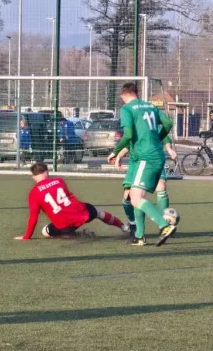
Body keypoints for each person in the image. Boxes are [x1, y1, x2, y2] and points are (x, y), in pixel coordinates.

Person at [107, 82, 176, 246]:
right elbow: (168, 124)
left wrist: (115, 151)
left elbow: (129, 134)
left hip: (145, 158)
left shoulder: (127, 109)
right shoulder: (151, 107)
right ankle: (139, 235)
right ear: (137, 93)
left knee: (136, 198)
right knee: (137, 196)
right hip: (154, 155)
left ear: (123, 96)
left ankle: (164, 225)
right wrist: (157, 139)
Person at [14, 162, 129, 240]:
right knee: (99, 213)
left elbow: (33, 218)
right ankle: (124, 227)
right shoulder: (59, 181)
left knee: (45, 231)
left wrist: (26, 236)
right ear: (47, 172)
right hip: (81, 212)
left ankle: (75, 234)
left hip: (63, 225)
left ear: (33, 176)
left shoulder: (33, 193)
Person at [118, 139, 177, 240]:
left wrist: (169, 149)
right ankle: (134, 225)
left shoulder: (154, 124)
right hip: (136, 163)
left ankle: (163, 224)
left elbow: (164, 133)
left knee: (160, 186)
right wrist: (118, 155)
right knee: (129, 196)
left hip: (154, 158)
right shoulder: (136, 125)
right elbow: (128, 139)